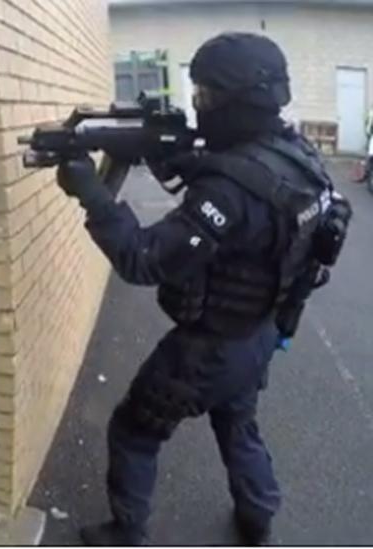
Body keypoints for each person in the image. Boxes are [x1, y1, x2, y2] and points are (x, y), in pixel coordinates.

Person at [55, 33, 343, 545]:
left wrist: (92, 194)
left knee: (134, 430)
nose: (198, 106)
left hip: (209, 350)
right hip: (260, 332)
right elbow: (237, 181)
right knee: (237, 423)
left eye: (206, 95)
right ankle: (259, 515)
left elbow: (143, 260)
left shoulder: (228, 192)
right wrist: (168, 157)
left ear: (239, 100)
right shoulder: (297, 154)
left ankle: (126, 532)